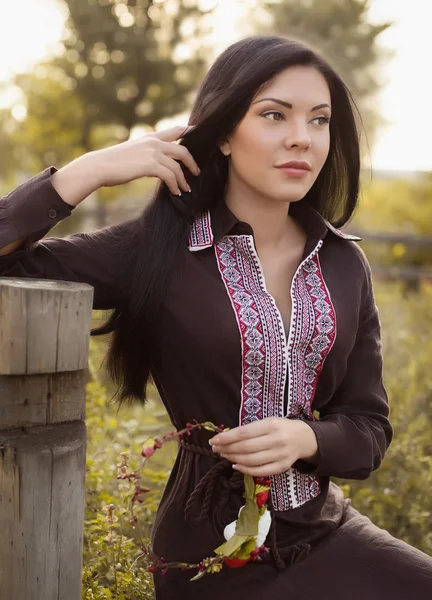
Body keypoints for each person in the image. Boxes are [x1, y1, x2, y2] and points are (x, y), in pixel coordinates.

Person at [0, 35, 431, 599]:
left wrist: (308, 436)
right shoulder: (157, 250)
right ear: (224, 132)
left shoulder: (344, 263)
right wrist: (87, 173)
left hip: (327, 533)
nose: (301, 138)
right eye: (274, 115)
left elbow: (369, 429)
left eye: (319, 120)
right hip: (209, 556)